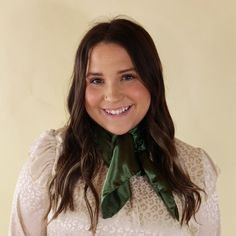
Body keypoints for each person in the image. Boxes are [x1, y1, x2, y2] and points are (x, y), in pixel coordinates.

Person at [9, 17, 220, 236]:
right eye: (96, 81)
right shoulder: (50, 162)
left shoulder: (194, 167)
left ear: (152, 80)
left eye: (128, 77)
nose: (112, 95)